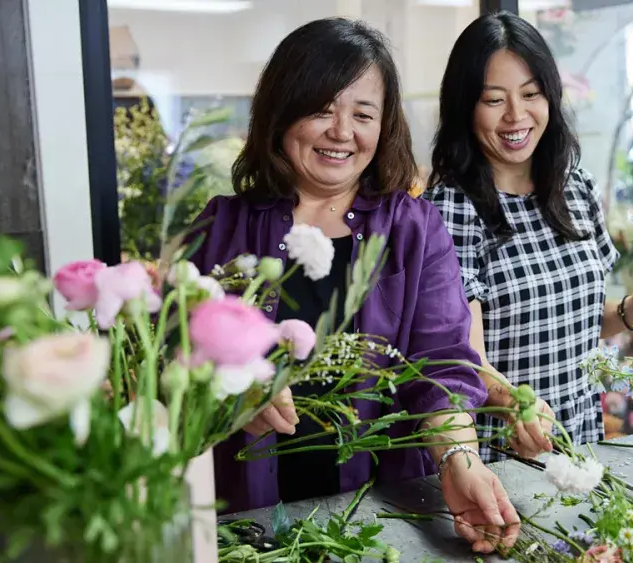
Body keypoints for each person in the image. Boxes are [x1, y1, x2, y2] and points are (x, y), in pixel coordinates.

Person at [186, 18, 518, 553]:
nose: (342, 132)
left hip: (383, 518)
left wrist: (461, 460)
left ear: (383, 126)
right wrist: (228, 383)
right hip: (247, 519)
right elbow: (170, 352)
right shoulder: (221, 227)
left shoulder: (414, 229)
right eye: (321, 110)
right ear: (281, 112)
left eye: (363, 114)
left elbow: (441, 364)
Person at [423, 12, 633, 462]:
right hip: (502, 449)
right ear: (466, 106)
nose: (516, 115)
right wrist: (518, 407)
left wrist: (630, 310)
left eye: (531, 94)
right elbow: (464, 361)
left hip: (581, 439)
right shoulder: (453, 207)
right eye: (494, 100)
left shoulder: (572, 186)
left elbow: (568, 320)